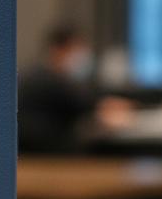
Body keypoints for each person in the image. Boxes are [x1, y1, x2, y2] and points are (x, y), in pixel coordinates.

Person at [19, 24, 130, 152]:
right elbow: (91, 105)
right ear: (58, 49)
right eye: (76, 48)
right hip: (45, 157)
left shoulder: (40, 75)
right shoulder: (48, 81)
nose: (81, 55)